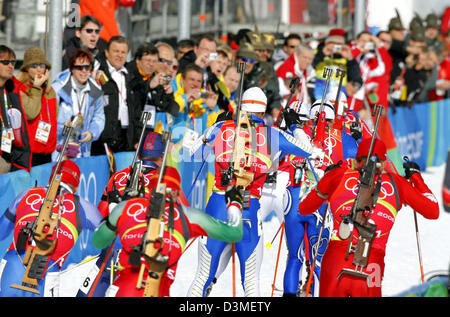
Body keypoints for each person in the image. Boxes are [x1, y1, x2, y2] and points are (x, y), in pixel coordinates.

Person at [186, 87, 324, 297]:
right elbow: (309, 150)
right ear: (262, 112)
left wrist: (214, 128)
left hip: (217, 205)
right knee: (250, 283)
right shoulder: (272, 133)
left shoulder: (222, 127)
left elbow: (193, 152)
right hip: (249, 208)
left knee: (203, 277)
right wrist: (295, 126)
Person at [298, 138, 440, 297]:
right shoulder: (398, 184)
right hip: (371, 267)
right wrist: (415, 177)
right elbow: (433, 210)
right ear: (384, 163)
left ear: (357, 160)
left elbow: (304, 208)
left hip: (335, 263)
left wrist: (328, 178)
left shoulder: (338, 175)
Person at [91, 166, 244, 297]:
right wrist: (234, 204)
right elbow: (234, 233)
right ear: (177, 193)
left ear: (149, 187)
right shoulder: (189, 215)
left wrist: (115, 209)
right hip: (159, 289)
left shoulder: (127, 207)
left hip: (123, 289)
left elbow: (98, 241)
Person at [281, 98, 357, 297]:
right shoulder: (344, 139)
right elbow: (355, 171)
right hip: (319, 202)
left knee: (294, 257)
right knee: (318, 259)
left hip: (293, 199)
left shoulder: (296, 134)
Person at [0, 159, 103, 297]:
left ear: (50, 178)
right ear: (76, 187)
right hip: (47, 272)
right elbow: (107, 239)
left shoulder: (27, 193)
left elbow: (1, 231)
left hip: (12, 265)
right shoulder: (82, 206)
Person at [97, 131, 168, 218]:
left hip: (117, 227)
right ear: (162, 157)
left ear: (138, 155)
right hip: (146, 228)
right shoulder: (165, 178)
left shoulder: (117, 176)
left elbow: (101, 213)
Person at [52, 48, 105, 159]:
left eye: (87, 67)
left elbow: (99, 117)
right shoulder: (58, 89)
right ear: (72, 68)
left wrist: (92, 133)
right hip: (60, 149)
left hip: (83, 150)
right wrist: (63, 127)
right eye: (79, 67)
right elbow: (50, 120)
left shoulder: (96, 91)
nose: (84, 71)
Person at [91, 35, 138, 155]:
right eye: (116, 51)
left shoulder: (131, 75)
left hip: (126, 135)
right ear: (107, 53)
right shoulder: (98, 73)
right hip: (103, 138)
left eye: (123, 52)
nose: (120, 55)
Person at [13, 46, 58, 166]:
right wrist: (36, 88)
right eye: (34, 66)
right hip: (30, 153)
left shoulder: (50, 90)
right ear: (26, 69)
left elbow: (54, 116)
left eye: (42, 66)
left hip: (47, 151)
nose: (39, 69)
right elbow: (30, 113)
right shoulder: (21, 89)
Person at [0, 45, 31, 174]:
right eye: (5, 62)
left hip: (10, 157)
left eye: (13, 62)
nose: (11, 66)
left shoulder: (12, 90)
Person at [312, 28, 363, 102]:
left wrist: (350, 59)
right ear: (326, 43)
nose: (335, 47)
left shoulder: (347, 57)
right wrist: (322, 54)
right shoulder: (317, 52)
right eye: (332, 43)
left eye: (339, 44)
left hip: (340, 97)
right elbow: (309, 66)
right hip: (318, 95)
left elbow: (356, 78)